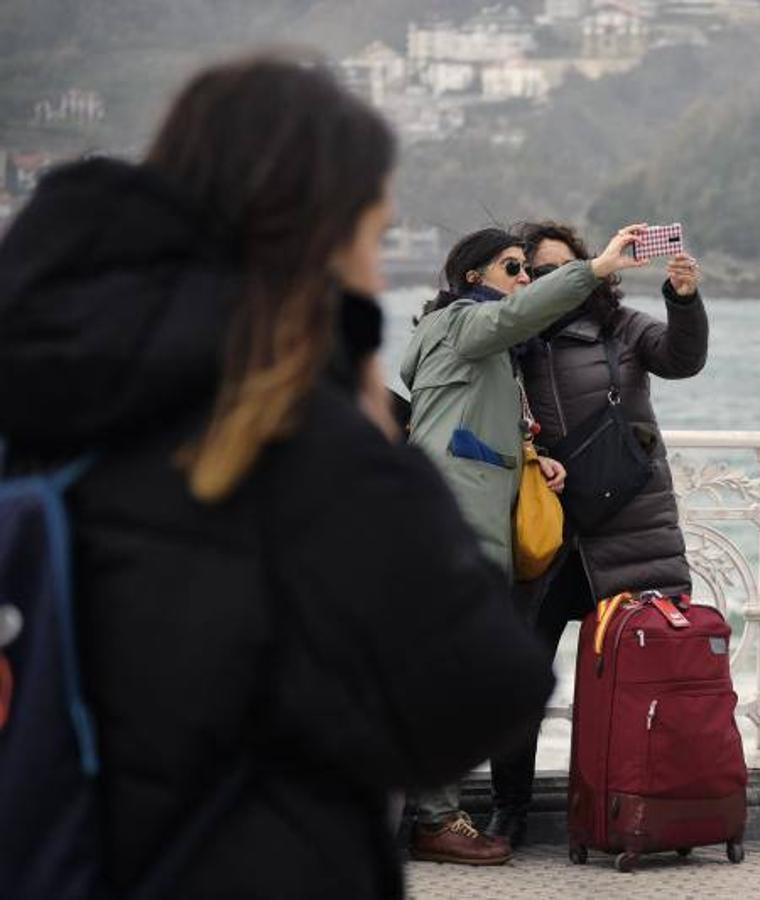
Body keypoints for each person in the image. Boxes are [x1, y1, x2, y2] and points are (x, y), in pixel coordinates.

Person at [0, 56, 555, 898]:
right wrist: (371, 417)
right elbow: (483, 692)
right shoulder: (297, 436)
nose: (376, 272)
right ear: (326, 234)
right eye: (373, 236)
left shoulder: (34, 383)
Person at [399, 224, 645, 863]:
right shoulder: (463, 323)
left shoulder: (486, 350)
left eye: (526, 270)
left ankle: (431, 813)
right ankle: (436, 819)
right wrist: (595, 269)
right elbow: (518, 315)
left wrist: (532, 459)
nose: (524, 279)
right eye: (513, 267)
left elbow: (469, 427)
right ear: (472, 277)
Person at [484, 220, 708, 847]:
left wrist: (684, 299)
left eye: (567, 269)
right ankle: (510, 811)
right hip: (547, 538)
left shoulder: (624, 328)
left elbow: (683, 360)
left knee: (647, 681)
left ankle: (649, 810)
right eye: (539, 272)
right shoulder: (509, 342)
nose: (555, 281)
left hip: (631, 531)